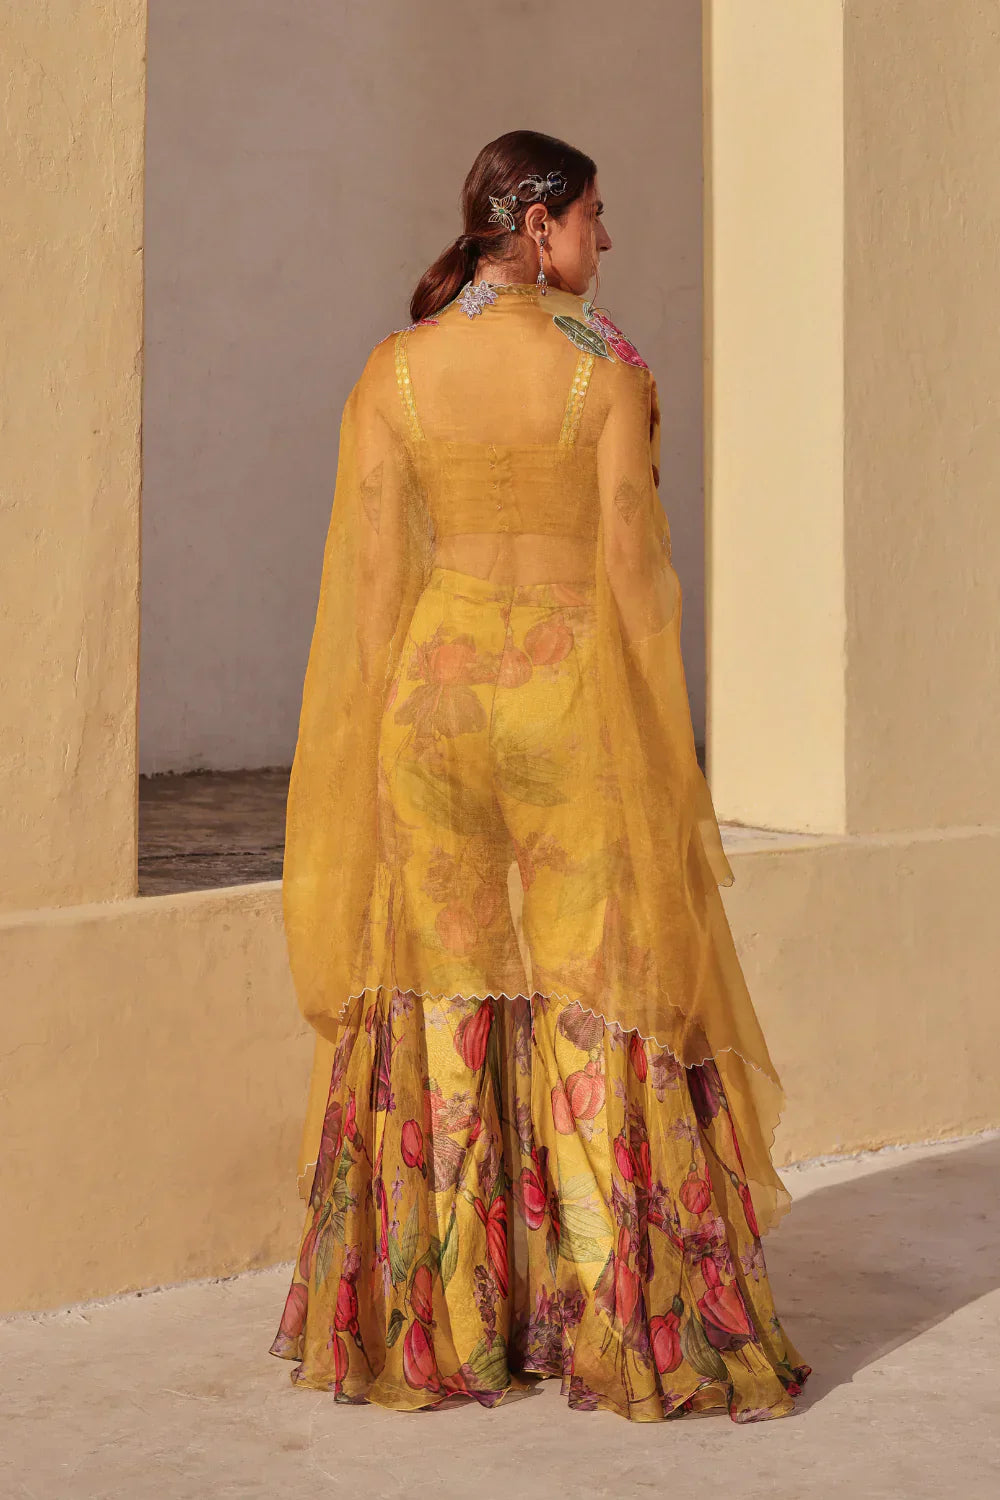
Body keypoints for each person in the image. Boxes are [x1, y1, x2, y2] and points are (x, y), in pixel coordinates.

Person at [269, 129, 810, 1422]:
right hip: (566, 707)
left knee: (444, 1006)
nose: (606, 240)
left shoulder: (393, 369)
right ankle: (618, 1322)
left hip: (431, 711)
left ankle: (453, 1330)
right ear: (538, 221)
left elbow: (373, 587)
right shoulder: (605, 369)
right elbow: (634, 577)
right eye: (594, 216)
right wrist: (666, 754)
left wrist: (381, 734)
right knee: (597, 1006)